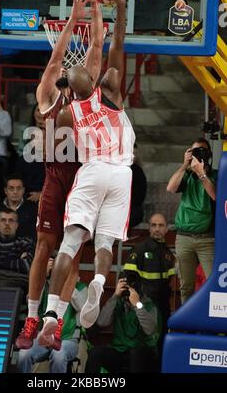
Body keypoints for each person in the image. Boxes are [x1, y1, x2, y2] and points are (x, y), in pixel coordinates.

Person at [38, 0, 135, 339]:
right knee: (107, 241)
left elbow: (62, 72)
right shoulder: (111, 90)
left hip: (92, 171)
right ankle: (98, 278)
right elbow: (112, 45)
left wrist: (60, 78)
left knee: (72, 239)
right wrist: (118, 6)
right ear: (92, 83)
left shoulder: (68, 113)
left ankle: (50, 316)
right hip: (122, 173)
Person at [15, 0, 104, 350]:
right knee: (43, 247)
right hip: (56, 177)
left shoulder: (89, 95)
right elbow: (55, 59)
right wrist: (73, 18)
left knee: (75, 254)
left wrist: (98, 12)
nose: (71, 71)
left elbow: (97, 48)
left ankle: (56, 321)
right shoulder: (48, 97)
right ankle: (32, 318)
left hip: (84, 181)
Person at [17, 254, 87, 373]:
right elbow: (31, 303)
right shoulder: (46, 284)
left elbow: (81, 307)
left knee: (58, 356)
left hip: (68, 339)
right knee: (24, 354)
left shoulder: (81, 287)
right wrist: (43, 276)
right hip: (43, 336)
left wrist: (68, 281)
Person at [167, 137, 216, 303]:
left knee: (212, 283)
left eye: (202, 150)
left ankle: (212, 324)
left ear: (209, 154)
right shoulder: (186, 175)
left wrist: (201, 173)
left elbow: (216, 196)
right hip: (184, 237)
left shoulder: (216, 174)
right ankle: (185, 325)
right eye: (195, 150)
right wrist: (184, 165)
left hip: (207, 239)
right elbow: (171, 187)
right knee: (185, 285)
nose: (199, 153)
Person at [85, 271, 161, 373]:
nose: (129, 287)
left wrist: (137, 305)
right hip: (120, 350)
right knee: (95, 353)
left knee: (136, 353)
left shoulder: (148, 305)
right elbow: (102, 322)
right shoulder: (118, 302)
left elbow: (150, 330)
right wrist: (115, 296)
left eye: (132, 284)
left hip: (143, 352)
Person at [124, 213, 176, 351]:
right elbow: (129, 277)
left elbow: (172, 281)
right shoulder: (140, 249)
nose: (157, 229)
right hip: (145, 303)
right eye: (154, 225)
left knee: (162, 341)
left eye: (161, 225)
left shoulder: (169, 254)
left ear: (167, 229)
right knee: (145, 343)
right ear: (149, 228)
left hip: (162, 304)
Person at [0, 174, 37, 243]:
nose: (15, 192)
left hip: (25, 248)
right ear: (5, 191)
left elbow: (35, 234)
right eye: (11, 188)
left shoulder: (33, 209)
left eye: (19, 188)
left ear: (23, 190)